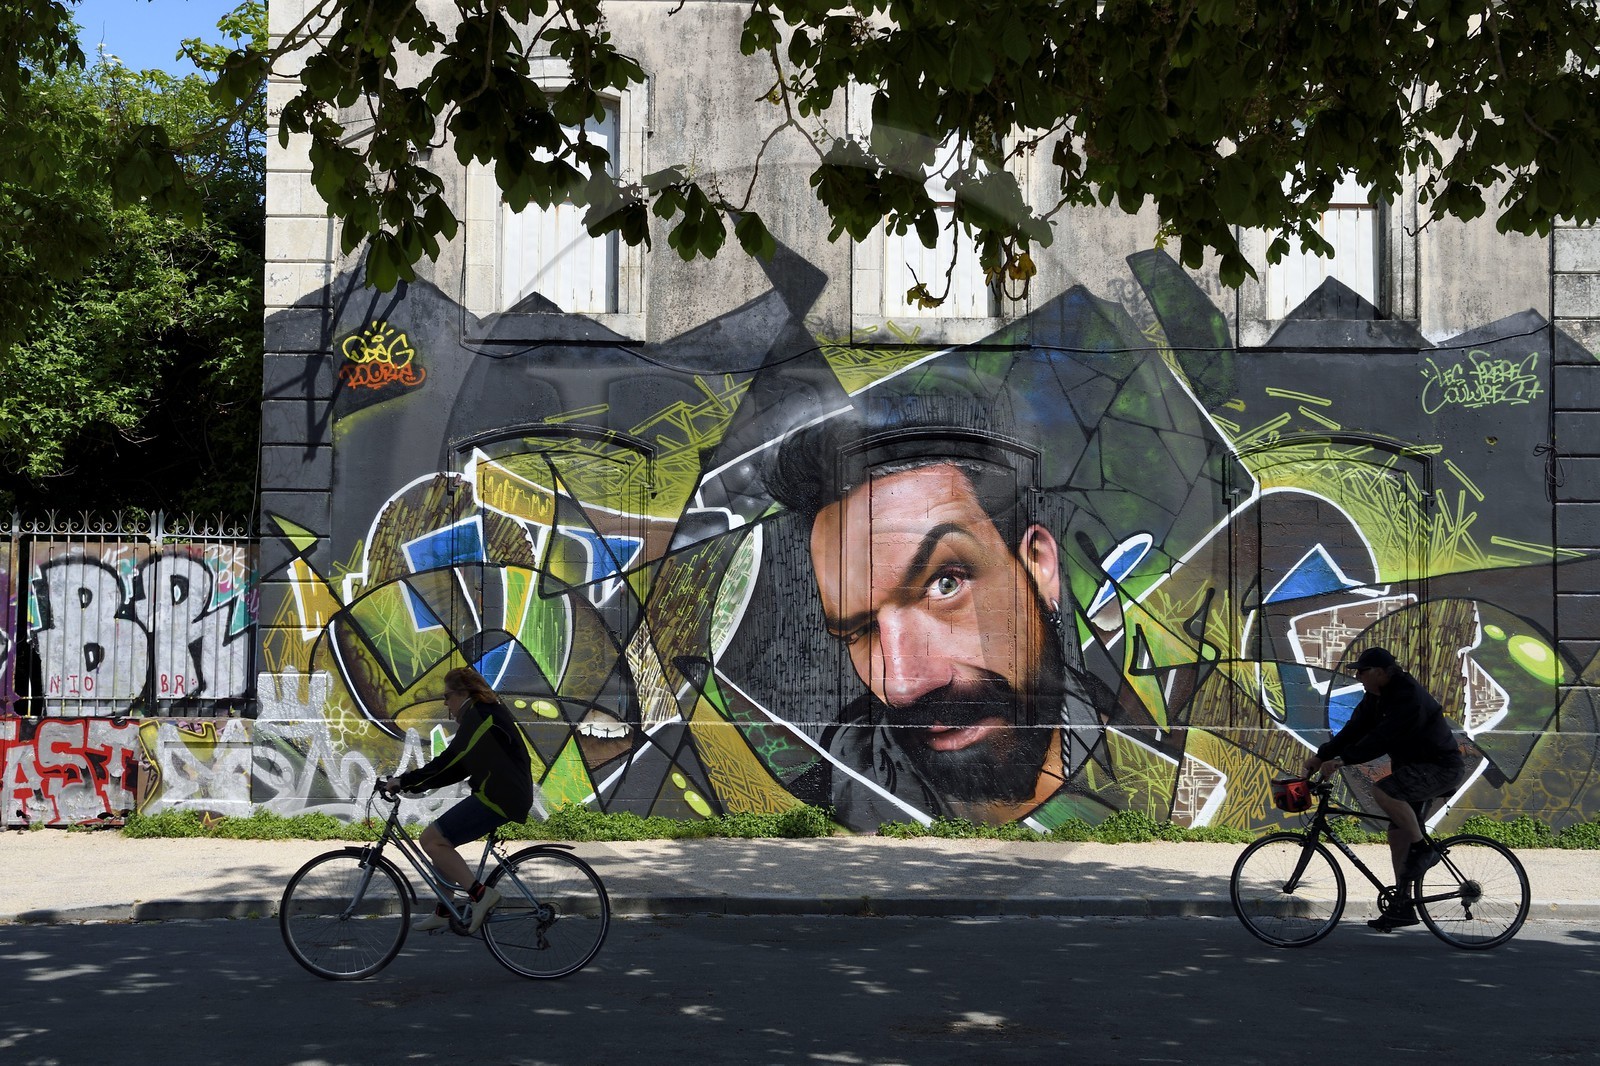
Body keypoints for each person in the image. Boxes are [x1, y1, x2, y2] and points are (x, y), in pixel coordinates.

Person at [765, 410, 1107, 829]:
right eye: (859, 629)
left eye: (945, 584)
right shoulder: (831, 813)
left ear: (1038, 567)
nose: (903, 684)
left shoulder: (1149, 744)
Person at [1303, 646, 1466, 932]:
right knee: (1397, 834)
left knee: (1384, 791)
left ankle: (1423, 850)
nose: (1358, 676)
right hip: (1413, 771)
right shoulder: (1376, 698)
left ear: (1381, 671)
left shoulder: (1407, 698)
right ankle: (1402, 907)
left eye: (1362, 671)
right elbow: (1353, 730)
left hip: (1440, 769)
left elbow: (1381, 739)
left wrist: (1342, 761)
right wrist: (1321, 755)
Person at [378, 666, 534, 934]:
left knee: (432, 839)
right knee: (441, 841)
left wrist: (405, 782)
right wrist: (413, 784)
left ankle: (480, 894)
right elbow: (458, 768)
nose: (446, 705)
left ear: (463, 694)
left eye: (447, 697)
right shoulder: (482, 714)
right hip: (498, 793)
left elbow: (450, 762)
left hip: (501, 796)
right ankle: (443, 910)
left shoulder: (481, 717)